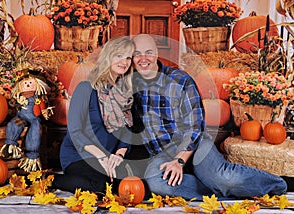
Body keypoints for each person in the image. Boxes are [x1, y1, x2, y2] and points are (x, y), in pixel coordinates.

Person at [131, 34, 287, 200]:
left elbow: (195, 127)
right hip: (162, 151)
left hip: (195, 143)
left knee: (223, 179)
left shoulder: (180, 80)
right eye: (137, 54)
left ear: (156, 53)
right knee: (156, 182)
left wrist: (180, 161)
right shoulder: (131, 84)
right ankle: (216, 192)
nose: (143, 58)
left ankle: (277, 184)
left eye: (148, 52)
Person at [52, 37, 135, 195]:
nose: (124, 61)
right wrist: (102, 157)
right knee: (100, 186)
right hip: (80, 155)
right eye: (119, 55)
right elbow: (75, 132)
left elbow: (126, 132)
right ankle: (51, 180)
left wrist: (118, 155)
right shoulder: (86, 88)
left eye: (128, 57)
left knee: (130, 184)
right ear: (108, 57)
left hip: (109, 156)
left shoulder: (124, 94)